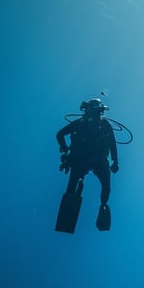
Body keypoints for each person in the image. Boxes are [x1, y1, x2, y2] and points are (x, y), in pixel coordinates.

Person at [55, 98, 118, 232]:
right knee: (104, 186)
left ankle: (103, 206)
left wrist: (65, 150)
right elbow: (113, 145)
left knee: (102, 186)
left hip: (93, 159)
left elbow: (60, 135)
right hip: (84, 159)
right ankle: (103, 206)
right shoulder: (89, 124)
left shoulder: (93, 124)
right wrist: (66, 151)